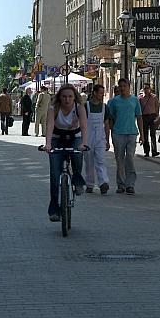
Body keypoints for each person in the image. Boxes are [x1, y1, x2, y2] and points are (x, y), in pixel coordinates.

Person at [43, 84, 89, 221]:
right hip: (57, 138)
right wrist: (48, 144)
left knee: (77, 154)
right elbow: (50, 126)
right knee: (55, 175)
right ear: (59, 97)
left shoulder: (79, 108)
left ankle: (78, 180)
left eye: (70, 96)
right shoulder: (53, 108)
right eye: (64, 96)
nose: (67, 99)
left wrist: (84, 143)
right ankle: (54, 210)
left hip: (75, 137)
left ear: (75, 97)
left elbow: (85, 126)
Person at [107, 79, 144, 195]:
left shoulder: (134, 100)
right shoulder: (113, 102)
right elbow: (110, 119)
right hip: (118, 133)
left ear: (129, 86)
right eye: (120, 86)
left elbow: (139, 117)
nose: (122, 88)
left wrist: (142, 135)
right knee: (119, 160)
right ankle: (121, 184)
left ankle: (130, 184)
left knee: (130, 159)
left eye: (124, 86)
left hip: (132, 133)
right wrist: (111, 134)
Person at [84, 84, 111, 194]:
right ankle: (89, 184)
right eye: (100, 93)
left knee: (101, 161)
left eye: (103, 93)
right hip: (88, 138)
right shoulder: (86, 106)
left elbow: (107, 123)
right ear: (94, 93)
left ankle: (103, 183)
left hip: (100, 138)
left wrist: (107, 140)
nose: (102, 95)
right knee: (89, 162)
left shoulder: (105, 107)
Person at [138, 84, 160, 157]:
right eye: (145, 88)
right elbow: (138, 109)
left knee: (153, 134)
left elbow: (157, 107)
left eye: (147, 88)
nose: (146, 90)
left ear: (150, 89)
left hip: (152, 116)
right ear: (143, 89)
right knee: (145, 134)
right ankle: (146, 151)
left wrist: (157, 117)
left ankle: (154, 151)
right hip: (144, 117)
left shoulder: (154, 97)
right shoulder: (140, 98)